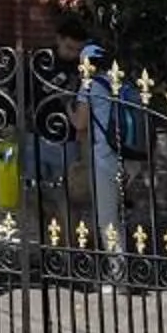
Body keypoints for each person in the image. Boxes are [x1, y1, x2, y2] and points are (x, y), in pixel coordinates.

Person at [37, 14, 126, 284]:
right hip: (126, 156)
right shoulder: (118, 84)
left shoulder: (89, 87)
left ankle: (117, 276)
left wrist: (67, 103)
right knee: (114, 214)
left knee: (105, 218)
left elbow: (79, 122)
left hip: (101, 156)